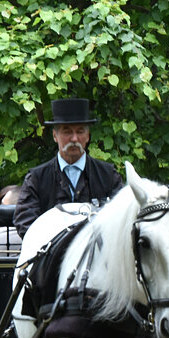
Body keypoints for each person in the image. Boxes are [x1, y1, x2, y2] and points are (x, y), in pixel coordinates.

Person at [13, 97, 123, 236]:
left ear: (88, 136)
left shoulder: (108, 176)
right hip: (50, 249)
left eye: (80, 131)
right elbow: (25, 221)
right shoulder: (37, 178)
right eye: (67, 131)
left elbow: (121, 216)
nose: (74, 138)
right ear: (55, 135)